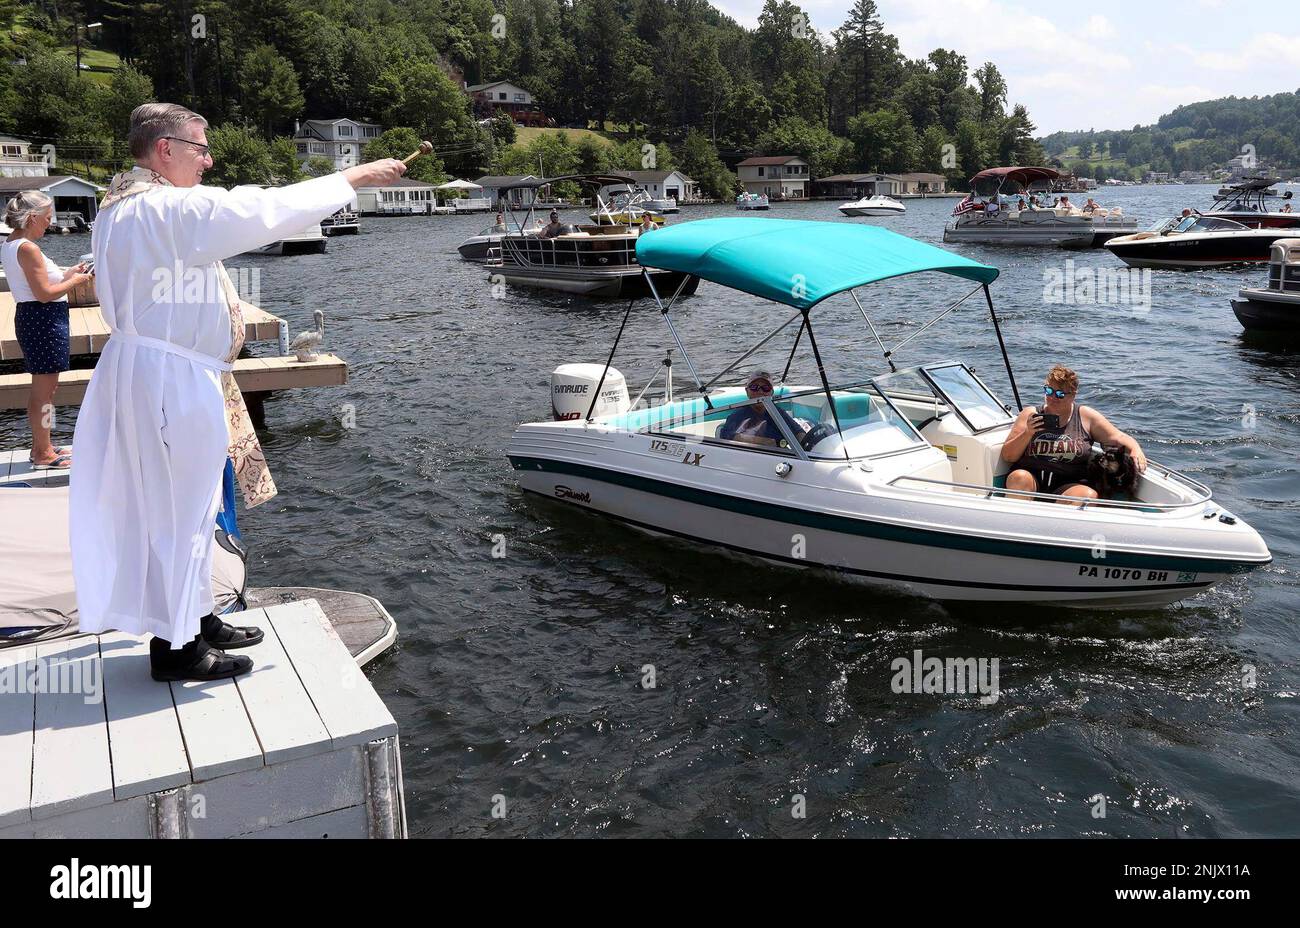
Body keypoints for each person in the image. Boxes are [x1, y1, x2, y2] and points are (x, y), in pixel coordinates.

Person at [69, 103, 406, 682]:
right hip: (170, 378)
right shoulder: (162, 209)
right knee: (178, 509)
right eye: (200, 148)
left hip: (158, 370)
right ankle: (178, 650)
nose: (210, 159)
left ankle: (196, 616)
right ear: (164, 149)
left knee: (191, 505)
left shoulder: (121, 207)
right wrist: (351, 177)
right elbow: (258, 208)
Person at [1, 191, 94, 470]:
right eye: (47, 217)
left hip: (37, 319)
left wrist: (68, 274)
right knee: (45, 392)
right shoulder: (28, 248)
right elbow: (44, 294)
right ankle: (43, 453)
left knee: (44, 391)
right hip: (43, 319)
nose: (50, 222)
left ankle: (43, 446)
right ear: (32, 218)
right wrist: (77, 280)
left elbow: (40, 284)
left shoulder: (13, 243)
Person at [1000, 365, 1147, 504]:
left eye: (1060, 394)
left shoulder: (1085, 416)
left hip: (1069, 483)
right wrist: (1028, 433)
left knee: (1087, 497)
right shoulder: (1030, 414)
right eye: (1049, 391)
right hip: (1032, 477)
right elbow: (1008, 456)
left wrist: (1136, 448)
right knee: (1019, 478)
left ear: (1073, 395)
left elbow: (1118, 437)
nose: (1053, 398)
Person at [717, 370, 809, 448]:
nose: (760, 392)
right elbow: (727, 437)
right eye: (754, 387)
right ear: (747, 391)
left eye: (766, 388)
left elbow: (798, 432)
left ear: (771, 392)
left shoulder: (778, 413)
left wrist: (805, 444)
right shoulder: (737, 415)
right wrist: (767, 442)